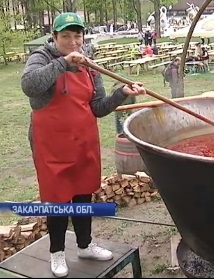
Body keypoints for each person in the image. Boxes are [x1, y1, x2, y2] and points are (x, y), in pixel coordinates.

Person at [20, 12, 146, 278]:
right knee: (57, 201)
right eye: (66, 36)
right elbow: (30, 86)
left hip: (83, 143)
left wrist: (122, 93)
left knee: (82, 194)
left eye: (77, 36)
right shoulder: (41, 58)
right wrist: (63, 63)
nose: (73, 41)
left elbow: (98, 108)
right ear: (54, 38)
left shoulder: (90, 67)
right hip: (52, 147)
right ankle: (56, 253)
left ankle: (85, 245)